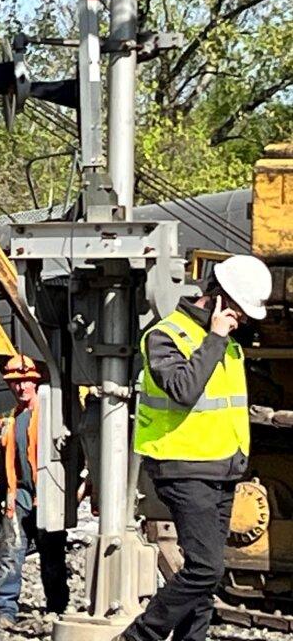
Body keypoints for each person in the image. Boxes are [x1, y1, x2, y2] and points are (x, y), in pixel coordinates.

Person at [119, 254, 271, 641]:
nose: (244, 319)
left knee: (203, 579)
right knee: (206, 570)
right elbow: (184, 390)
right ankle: (139, 637)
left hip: (221, 470)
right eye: (239, 310)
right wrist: (216, 336)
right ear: (218, 297)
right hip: (184, 468)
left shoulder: (230, 347)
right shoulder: (166, 335)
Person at [0, 353, 69, 630]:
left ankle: (57, 609)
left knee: (52, 557)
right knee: (9, 553)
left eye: (26, 382)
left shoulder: (50, 417)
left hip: (47, 495)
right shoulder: (10, 420)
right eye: (16, 383)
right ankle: (5, 611)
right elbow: (5, 464)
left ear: (36, 382)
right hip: (17, 496)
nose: (21, 388)